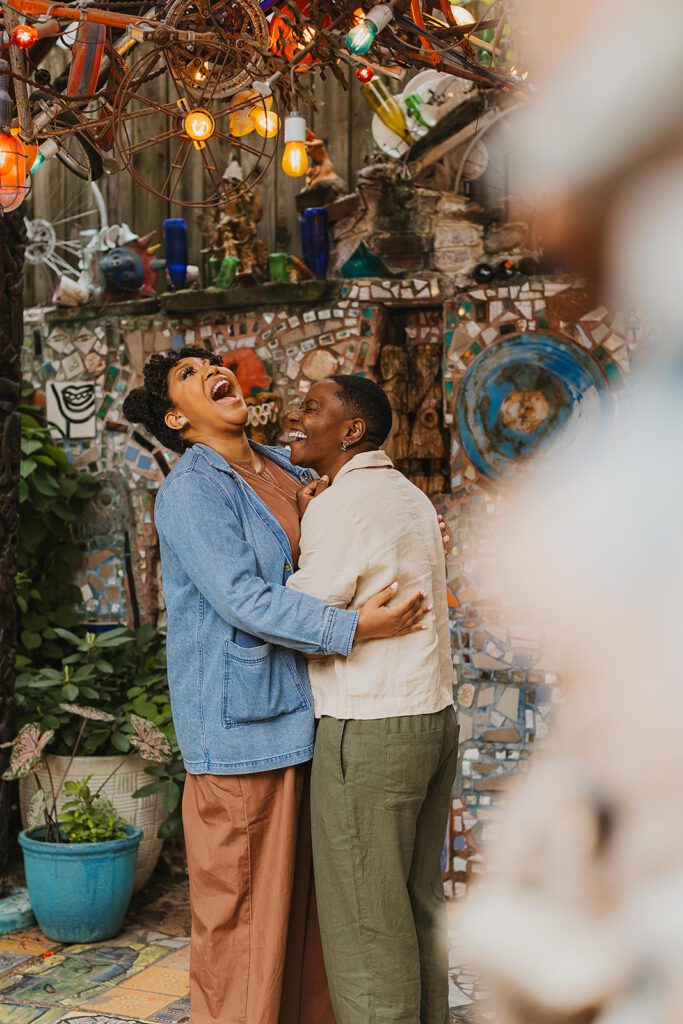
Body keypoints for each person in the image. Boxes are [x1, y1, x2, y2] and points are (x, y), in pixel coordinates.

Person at [122, 347, 433, 1024]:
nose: (208, 369)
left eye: (210, 362)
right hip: (240, 729)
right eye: (187, 375)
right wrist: (354, 628)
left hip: (305, 716)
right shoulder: (191, 491)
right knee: (241, 923)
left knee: (305, 924)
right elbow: (242, 600)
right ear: (177, 418)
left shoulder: (287, 467)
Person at [286, 374, 459, 1024]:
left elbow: (294, 617)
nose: (295, 417)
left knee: (365, 927)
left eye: (311, 408)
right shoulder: (407, 495)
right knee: (415, 907)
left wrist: (305, 524)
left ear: (351, 430)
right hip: (429, 718)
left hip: (369, 730)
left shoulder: (340, 504)